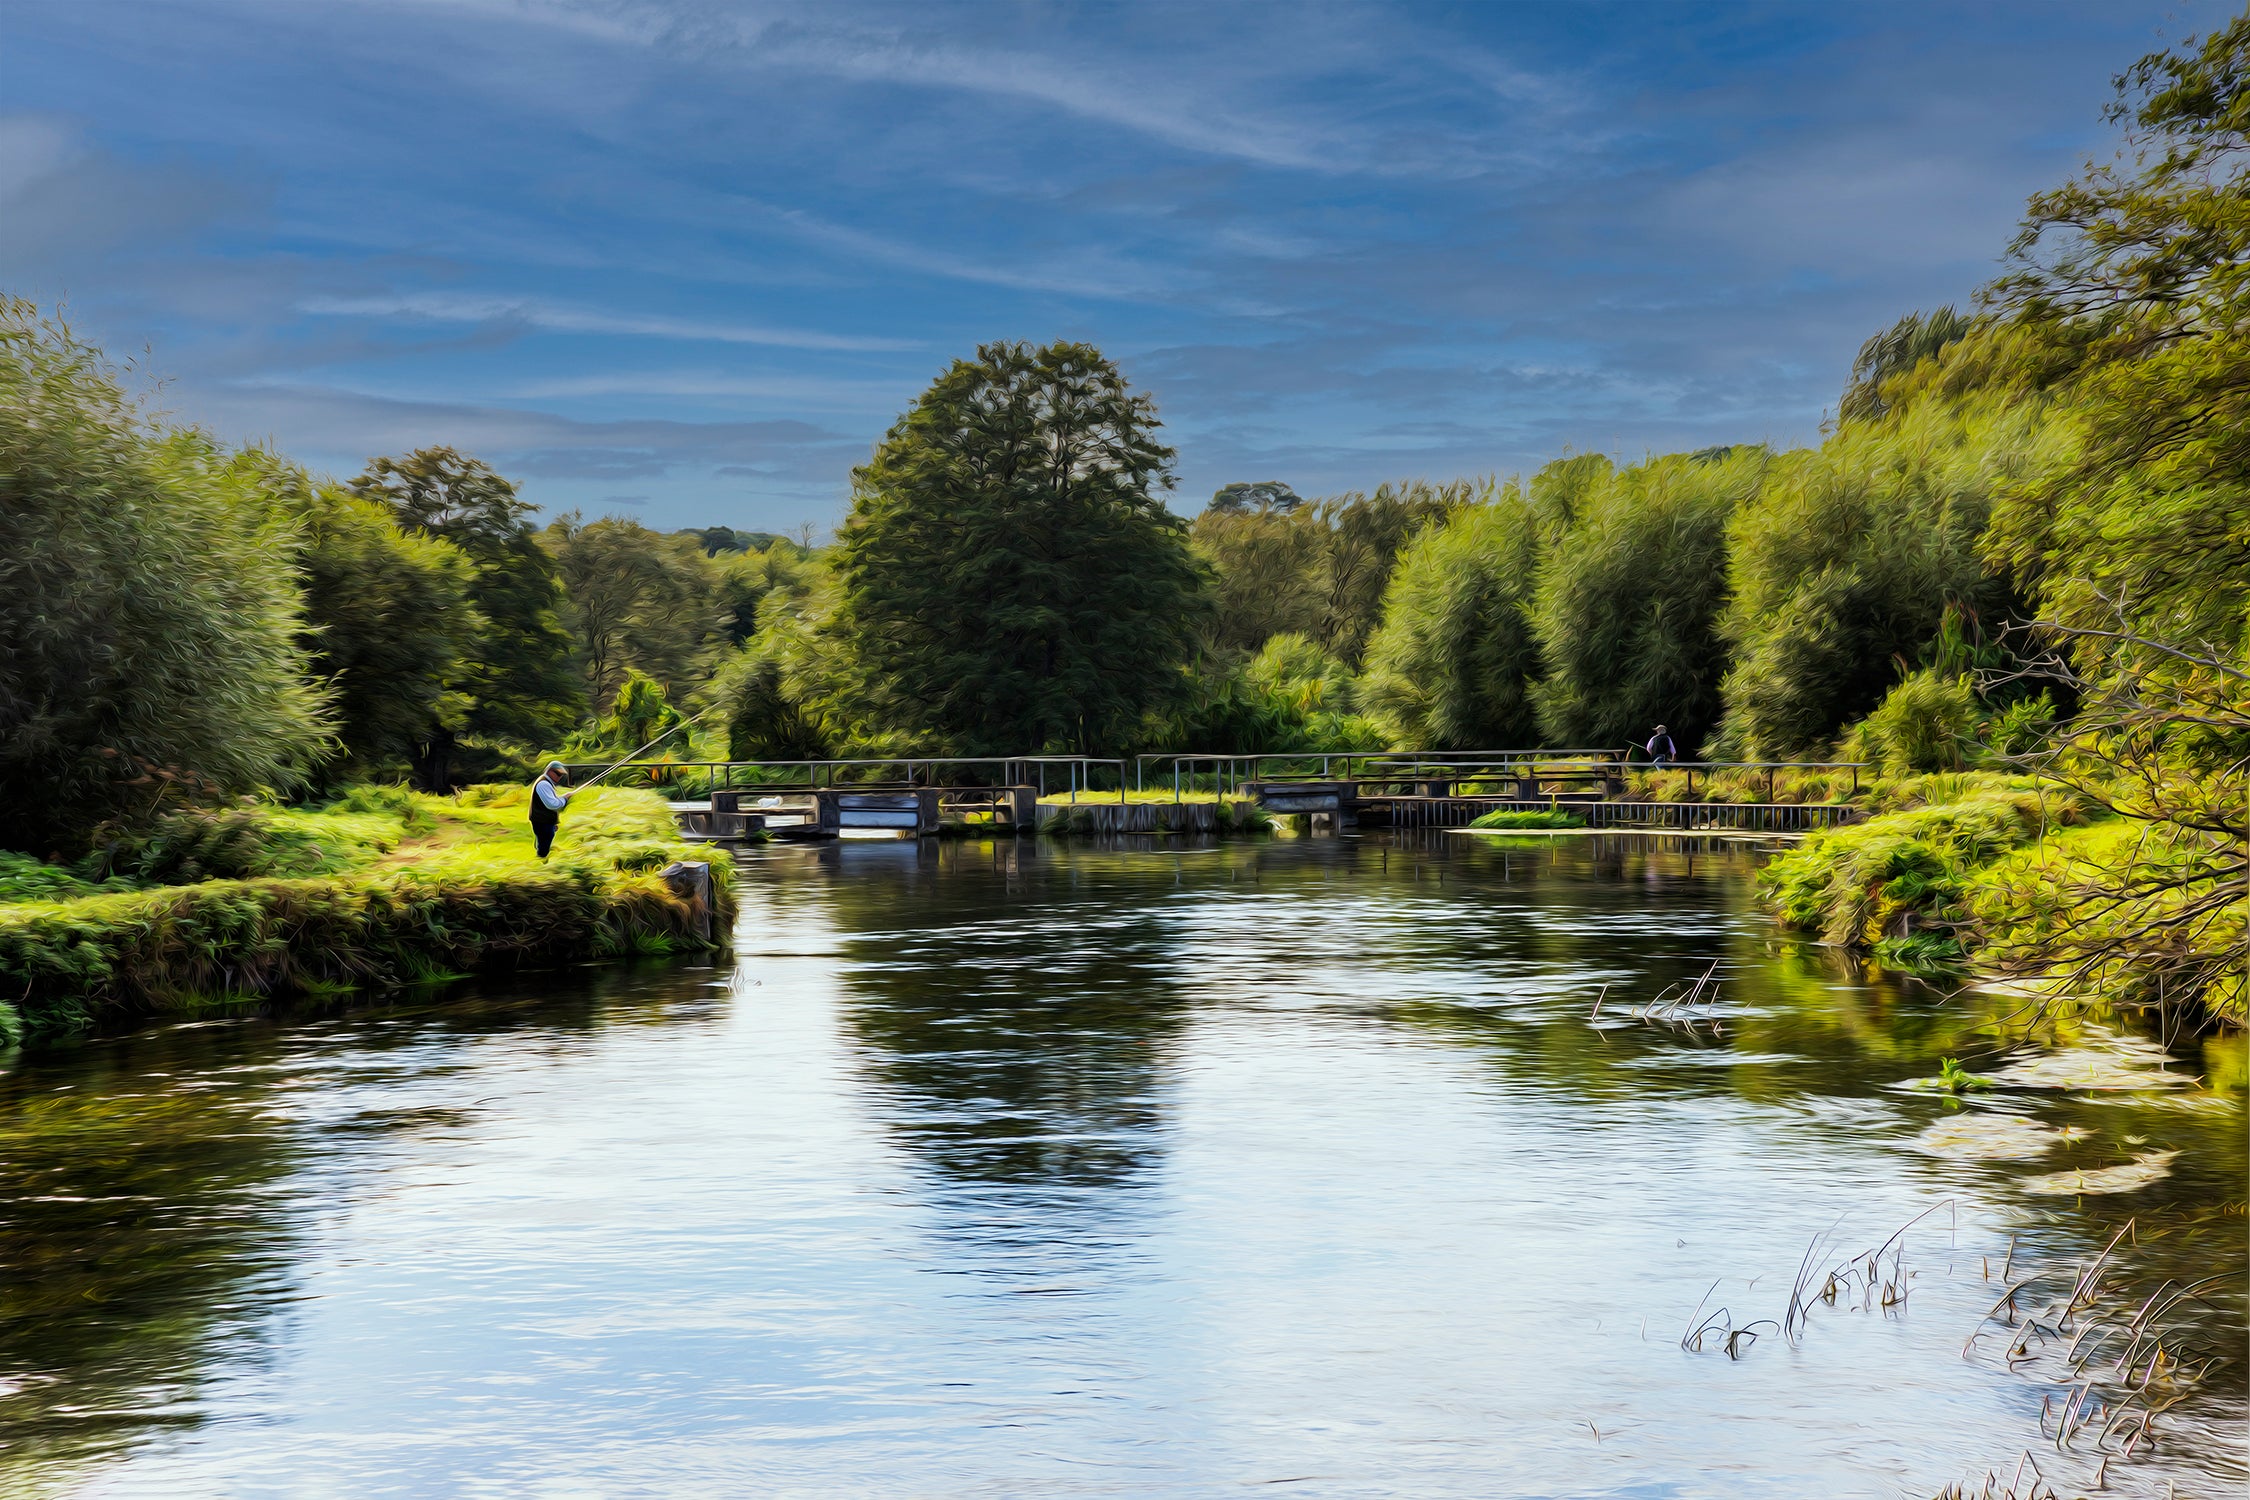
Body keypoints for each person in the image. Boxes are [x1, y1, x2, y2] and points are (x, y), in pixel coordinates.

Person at [529, 761, 573, 860]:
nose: (559, 777)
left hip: (544, 821)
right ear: (549, 771)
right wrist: (565, 798)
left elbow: (550, 802)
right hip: (542, 821)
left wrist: (553, 823)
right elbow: (552, 804)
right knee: (544, 846)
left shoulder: (546, 783)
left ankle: (541, 859)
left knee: (545, 841)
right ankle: (540, 863)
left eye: (561, 775)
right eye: (557, 773)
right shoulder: (543, 784)